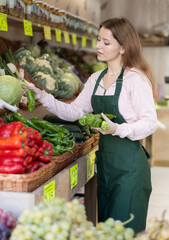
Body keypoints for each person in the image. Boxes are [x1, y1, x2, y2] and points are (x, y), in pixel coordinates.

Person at [29, 17, 158, 234]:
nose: (99, 46)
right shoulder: (96, 79)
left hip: (130, 171)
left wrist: (119, 129)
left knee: (125, 233)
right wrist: (42, 95)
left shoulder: (135, 79)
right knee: (106, 232)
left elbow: (150, 123)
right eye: (98, 40)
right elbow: (73, 113)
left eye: (106, 42)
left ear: (123, 47)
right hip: (106, 168)